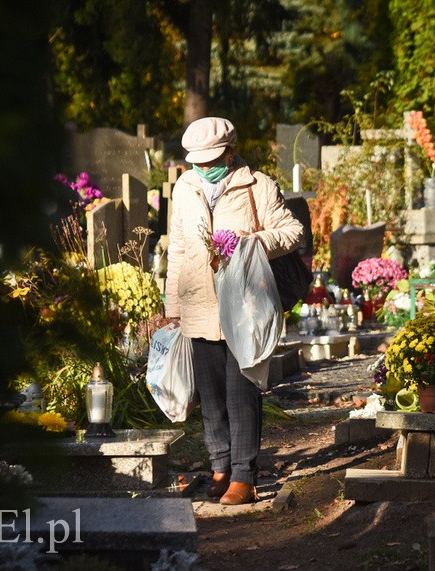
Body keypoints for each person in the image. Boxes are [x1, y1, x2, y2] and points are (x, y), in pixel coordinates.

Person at [165, 117, 304, 505]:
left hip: (245, 306)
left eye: (211, 160)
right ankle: (220, 466)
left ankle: (244, 475)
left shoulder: (258, 184)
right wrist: (172, 306)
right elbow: (178, 248)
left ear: (230, 152)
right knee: (210, 396)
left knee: (242, 391)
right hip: (199, 303)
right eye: (197, 161)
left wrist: (252, 241)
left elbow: (293, 232)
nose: (204, 168)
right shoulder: (185, 187)